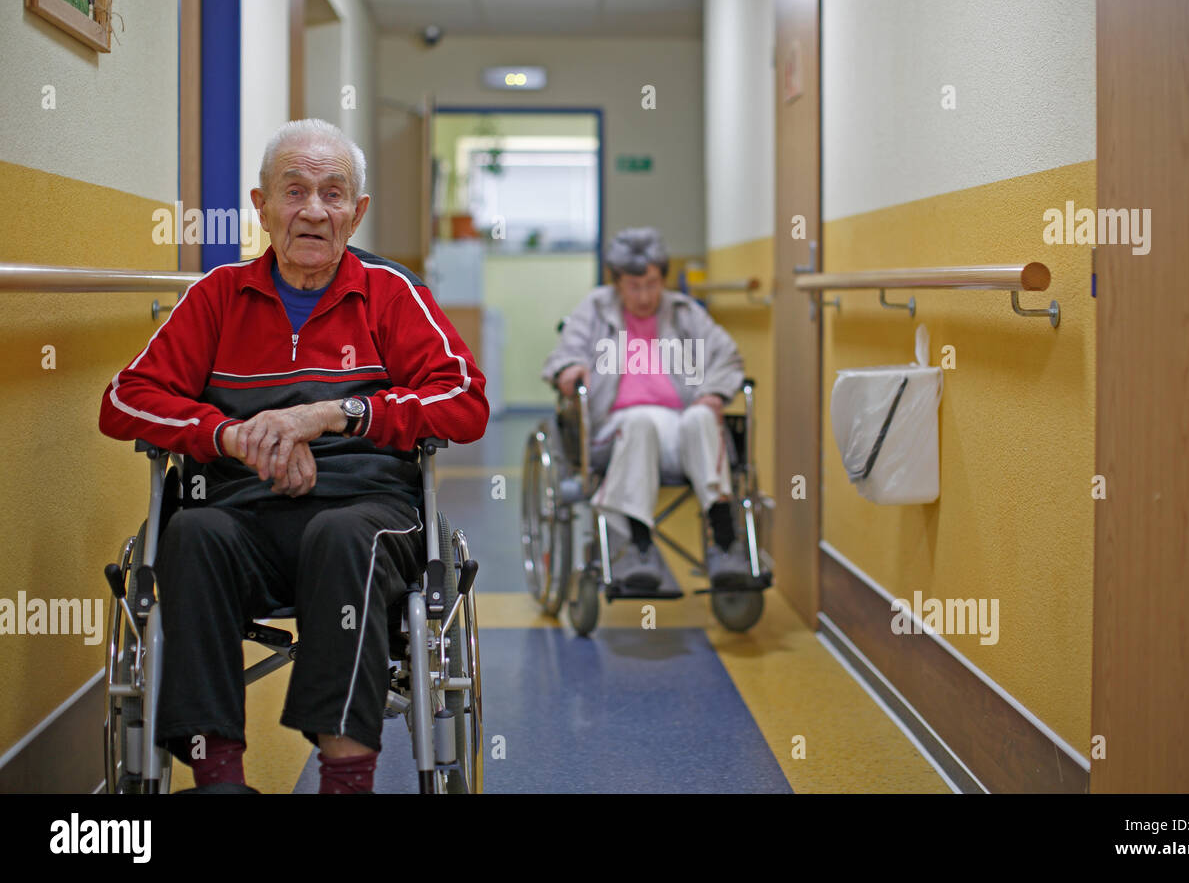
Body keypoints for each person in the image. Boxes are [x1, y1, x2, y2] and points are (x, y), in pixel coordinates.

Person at [98, 118, 488, 793]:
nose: (314, 210)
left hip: (366, 510)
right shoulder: (216, 297)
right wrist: (231, 436)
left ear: (357, 211)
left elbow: (463, 402)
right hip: (240, 509)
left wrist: (338, 414)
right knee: (188, 533)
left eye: (334, 194)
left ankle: (344, 778)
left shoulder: (392, 294)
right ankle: (219, 778)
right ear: (261, 205)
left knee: (345, 537)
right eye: (295, 191)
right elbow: (125, 401)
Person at [541, 227, 749, 591]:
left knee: (704, 416)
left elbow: (727, 355)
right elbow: (564, 353)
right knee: (639, 423)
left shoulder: (682, 312)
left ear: (663, 279)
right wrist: (570, 368)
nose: (644, 296)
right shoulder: (595, 307)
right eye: (633, 287)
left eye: (652, 284)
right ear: (617, 283)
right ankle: (639, 548)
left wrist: (714, 393)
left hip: (680, 425)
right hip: (617, 429)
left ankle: (727, 543)